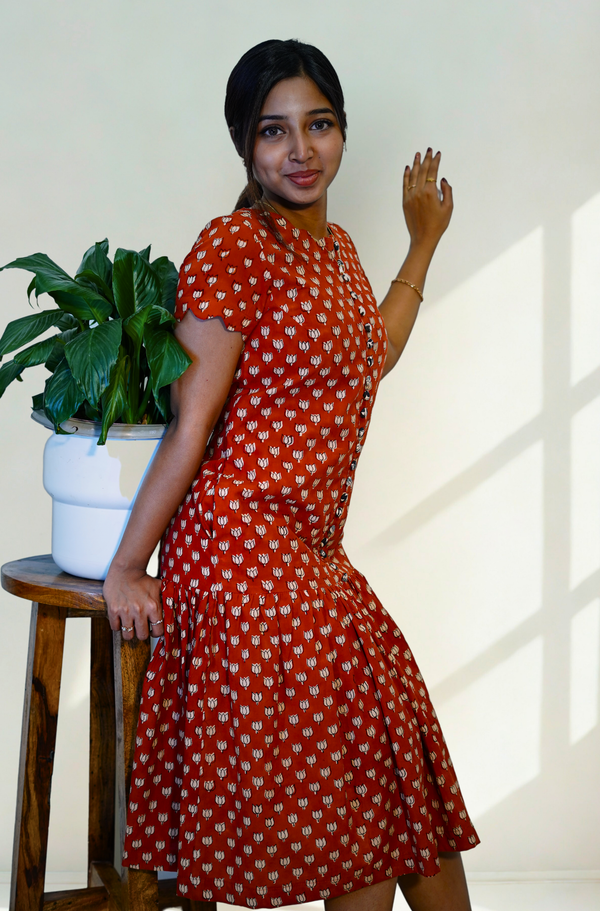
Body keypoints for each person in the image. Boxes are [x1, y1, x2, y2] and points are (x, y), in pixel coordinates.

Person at [103, 38, 479, 911]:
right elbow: (192, 427)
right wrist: (129, 565)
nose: (299, 150)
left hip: (309, 553)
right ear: (245, 146)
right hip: (238, 549)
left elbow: (366, 355)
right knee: (381, 772)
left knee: (392, 775)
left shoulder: (340, 250)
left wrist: (423, 243)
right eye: (275, 132)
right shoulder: (235, 247)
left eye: (318, 125)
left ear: (343, 133)